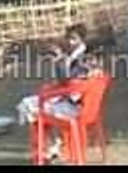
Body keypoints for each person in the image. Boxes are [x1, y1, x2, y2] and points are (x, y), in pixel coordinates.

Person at [16, 23, 93, 161]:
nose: (70, 42)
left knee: (32, 108)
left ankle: (47, 147)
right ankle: (53, 144)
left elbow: (67, 81)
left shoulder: (82, 58)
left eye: (73, 39)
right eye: (68, 38)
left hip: (74, 107)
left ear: (82, 39)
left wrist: (59, 62)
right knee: (34, 104)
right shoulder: (79, 54)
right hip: (82, 104)